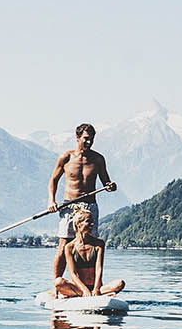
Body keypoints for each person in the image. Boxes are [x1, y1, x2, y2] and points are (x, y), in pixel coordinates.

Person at [49, 123, 117, 281]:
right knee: (63, 247)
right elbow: (53, 180)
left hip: (89, 207)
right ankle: (56, 285)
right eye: (86, 139)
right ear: (77, 138)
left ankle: (89, 286)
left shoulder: (98, 159)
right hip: (69, 205)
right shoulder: (66, 157)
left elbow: (106, 182)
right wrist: (51, 201)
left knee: (88, 247)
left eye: (92, 139)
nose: (89, 142)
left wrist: (110, 186)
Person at [53, 206, 126, 299]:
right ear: (78, 224)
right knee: (58, 282)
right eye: (88, 221)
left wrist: (96, 289)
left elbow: (99, 269)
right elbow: (73, 273)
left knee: (120, 283)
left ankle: (93, 294)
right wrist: (84, 290)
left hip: (97, 288)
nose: (92, 224)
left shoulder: (99, 244)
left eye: (92, 222)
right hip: (79, 289)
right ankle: (80, 294)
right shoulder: (69, 247)